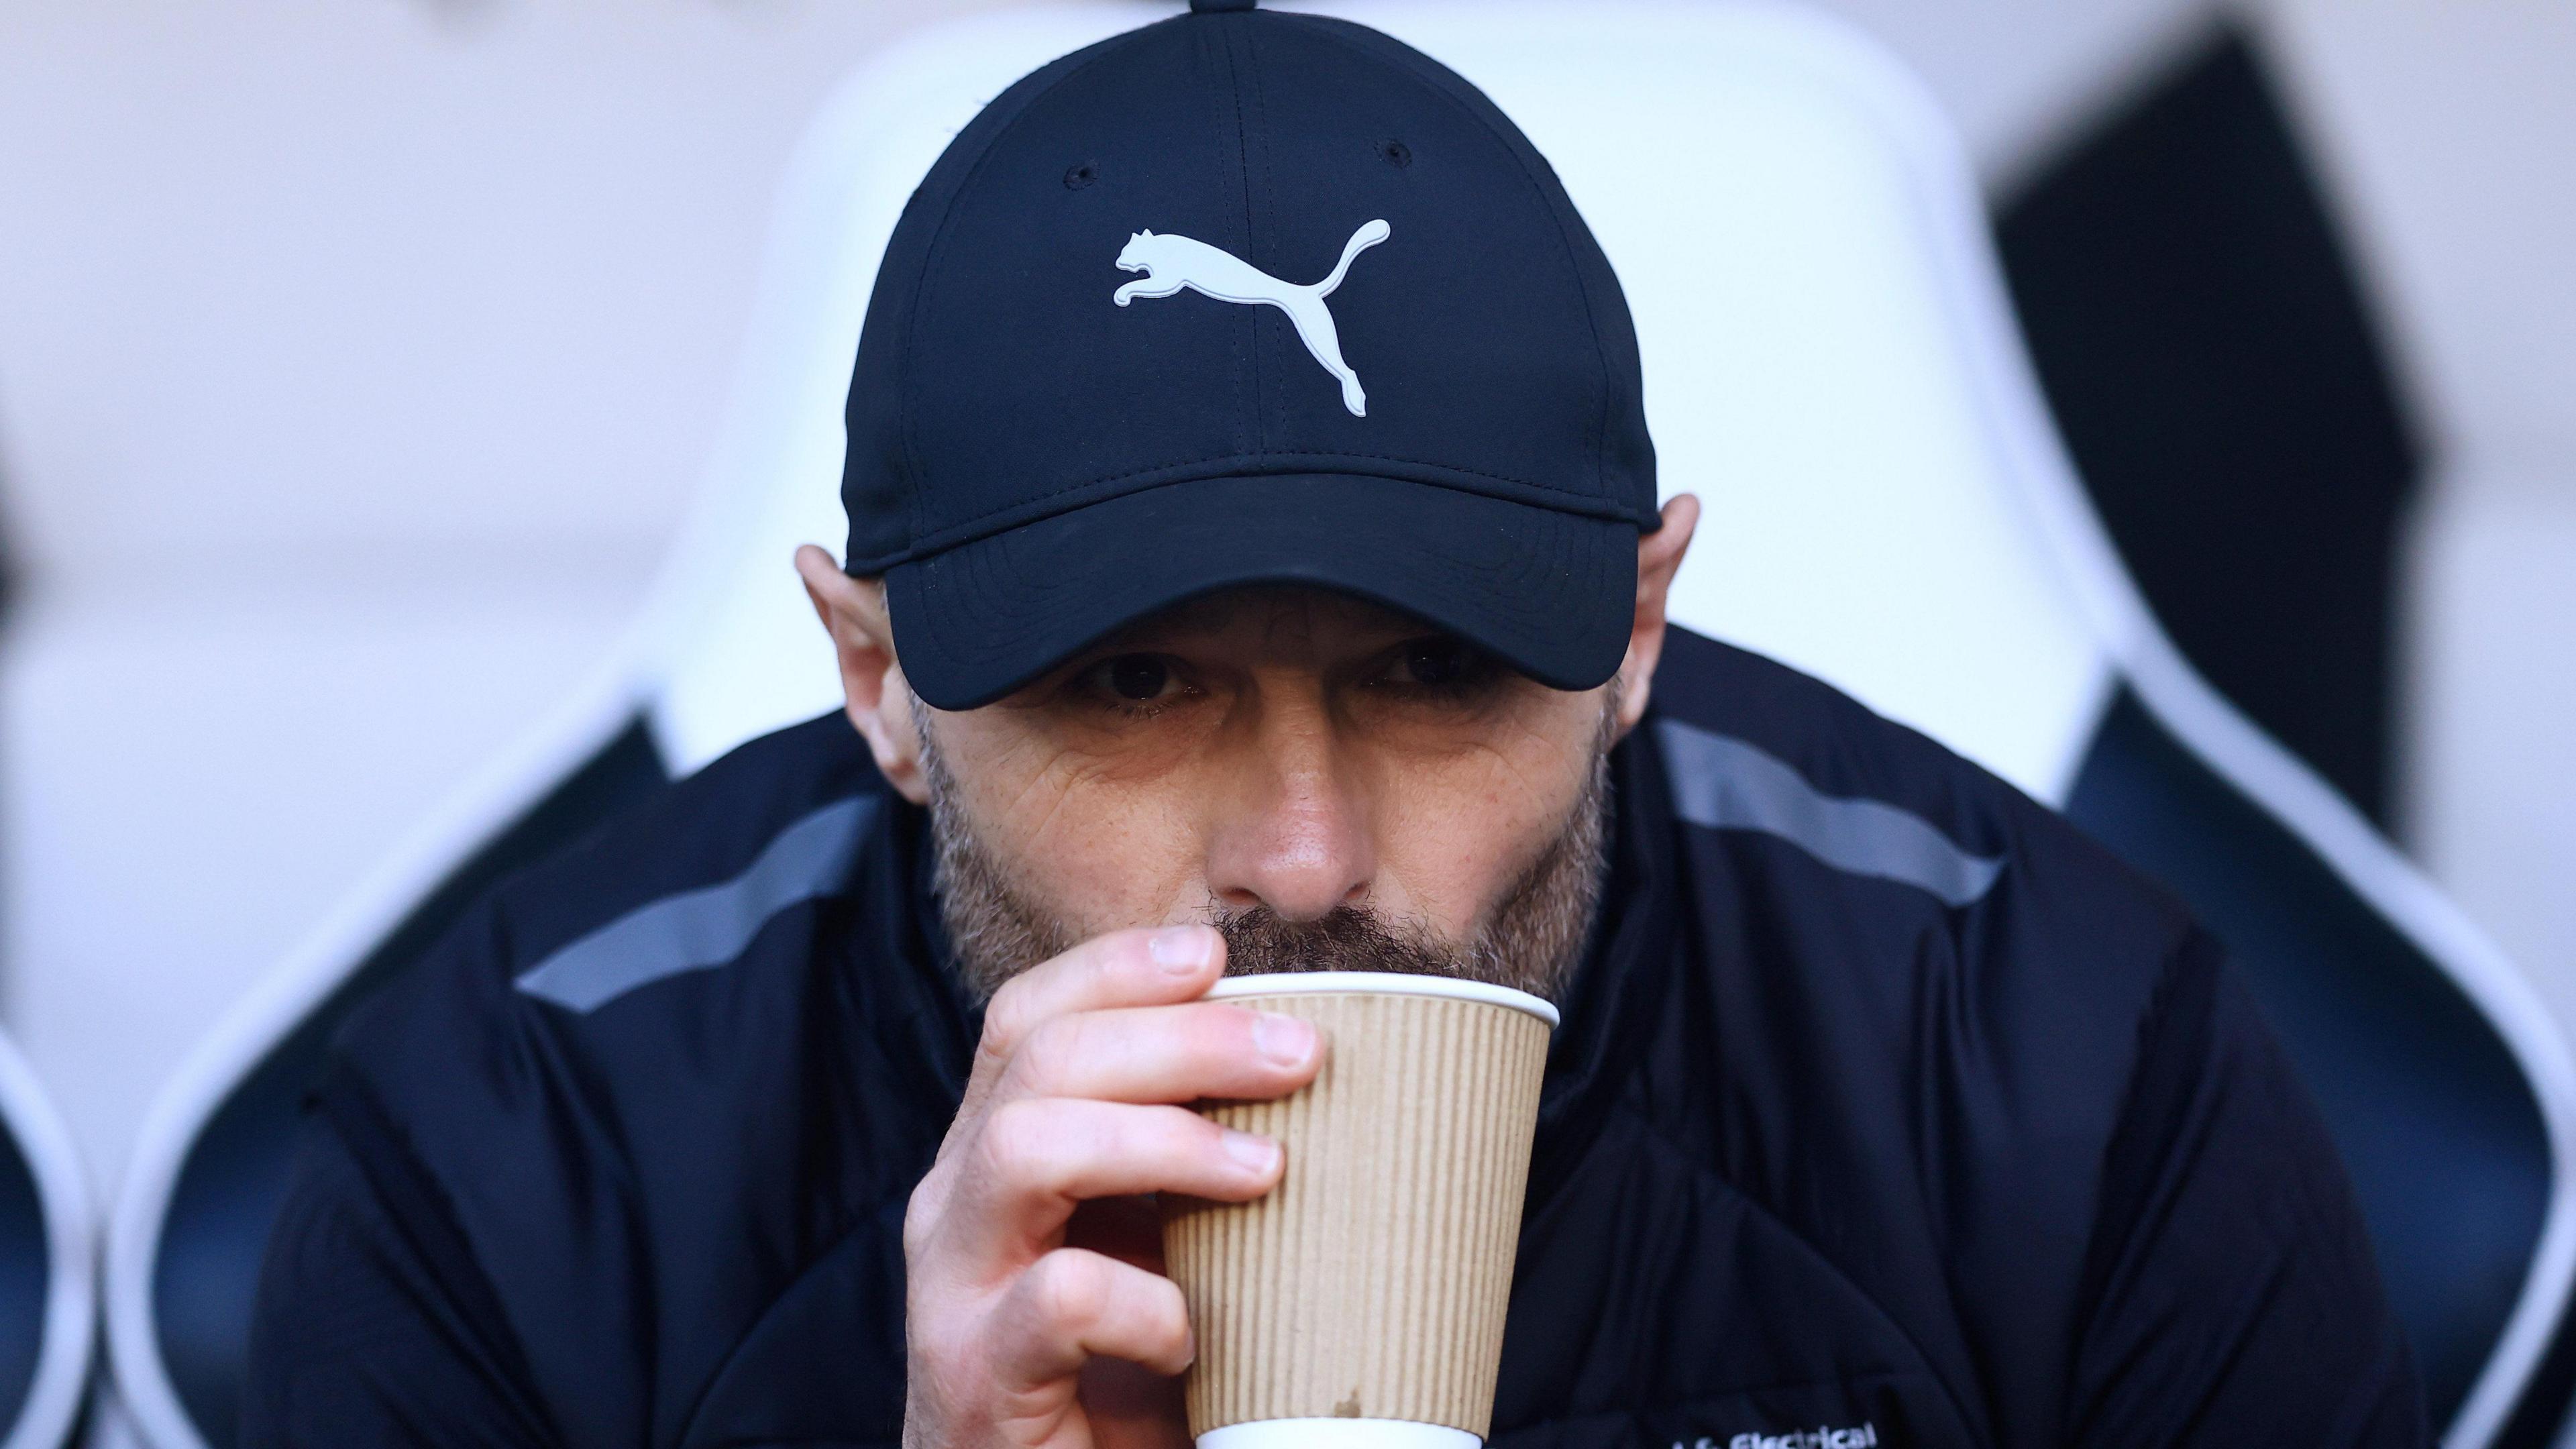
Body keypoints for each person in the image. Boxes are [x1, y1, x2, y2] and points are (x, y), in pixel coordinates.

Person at [243, 2, 2423, 1446]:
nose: (1304, 855)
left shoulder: (2050, 1066)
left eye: (1439, 669)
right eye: (1132, 682)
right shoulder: (522, 1153)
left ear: (1637, 631)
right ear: (881, 682)